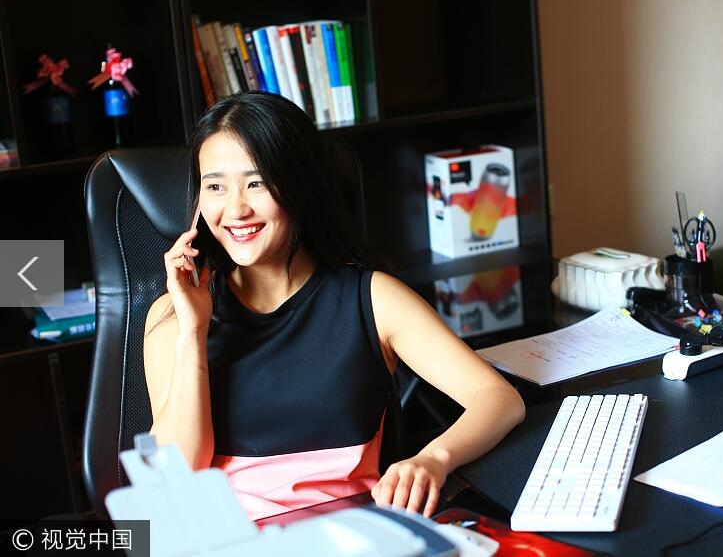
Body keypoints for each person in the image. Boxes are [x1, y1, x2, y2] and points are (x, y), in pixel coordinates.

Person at [143, 92, 525, 521]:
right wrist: (193, 334)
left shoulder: (374, 298)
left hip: (355, 536)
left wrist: (434, 459)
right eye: (215, 186)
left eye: (256, 182)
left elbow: (497, 398)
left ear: (300, 186)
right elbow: (180, 474)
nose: (235, 208)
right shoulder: (172, 316)